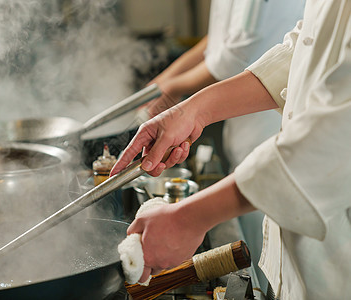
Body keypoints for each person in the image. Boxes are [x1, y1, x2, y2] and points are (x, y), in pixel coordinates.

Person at [111, 0, 351, 298]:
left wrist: (190, 217)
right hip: (297, 224)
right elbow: (306, 48)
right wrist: (194, 110)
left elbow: (335, 137)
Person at [143, 1, 305, 289]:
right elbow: (298, 51)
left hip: (280, 158)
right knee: (272, 271)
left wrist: (190, 217)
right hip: (264, 157)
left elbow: (325, 142)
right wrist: (191, 110)